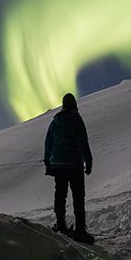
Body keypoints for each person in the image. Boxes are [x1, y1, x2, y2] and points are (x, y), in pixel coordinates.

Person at [43, 92, 94, 243]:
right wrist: (88, 162)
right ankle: (80, 231)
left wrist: (48, 162)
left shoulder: (54, 122)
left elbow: (48, 143)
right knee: (78, 197)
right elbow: (83, 141)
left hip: (58, 165)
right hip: (74, 164)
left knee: (60, 194)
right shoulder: (76, 119)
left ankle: (60, 225)